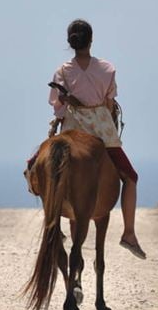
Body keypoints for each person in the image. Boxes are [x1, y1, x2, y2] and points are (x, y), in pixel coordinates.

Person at [49, 19, 146, 259]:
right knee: (131, 177)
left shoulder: (61, 71)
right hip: (102, 131)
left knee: (46, 172)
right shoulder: (107, 69)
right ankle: (129, 233)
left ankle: (53, 224)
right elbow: (110, 102)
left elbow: (57, 106)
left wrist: (63, 113)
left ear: (70, 42)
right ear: (91, 40)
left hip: (73, 130)